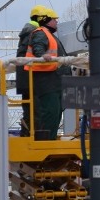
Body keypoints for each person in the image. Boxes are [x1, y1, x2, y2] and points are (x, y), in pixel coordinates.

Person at [24, 7, 70, 139]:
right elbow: (38, 47)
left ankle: (51, 138)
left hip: (54, 81)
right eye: (54, 19)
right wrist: (43, 55)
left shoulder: (50, 35)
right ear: (45, 19)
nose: (56, 21)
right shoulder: (40, 33)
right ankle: (47, 141)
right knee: (51, 112)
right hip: (47, 81)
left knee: (56, 112)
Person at [16, 6, 48, 136]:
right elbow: (38, 53)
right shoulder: (36, 33)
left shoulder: (27, 32)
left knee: (30, 110)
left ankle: (28, 133)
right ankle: (34, 136)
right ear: (41, 18)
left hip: (25, 79)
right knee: (37, 112)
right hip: (33, 79)